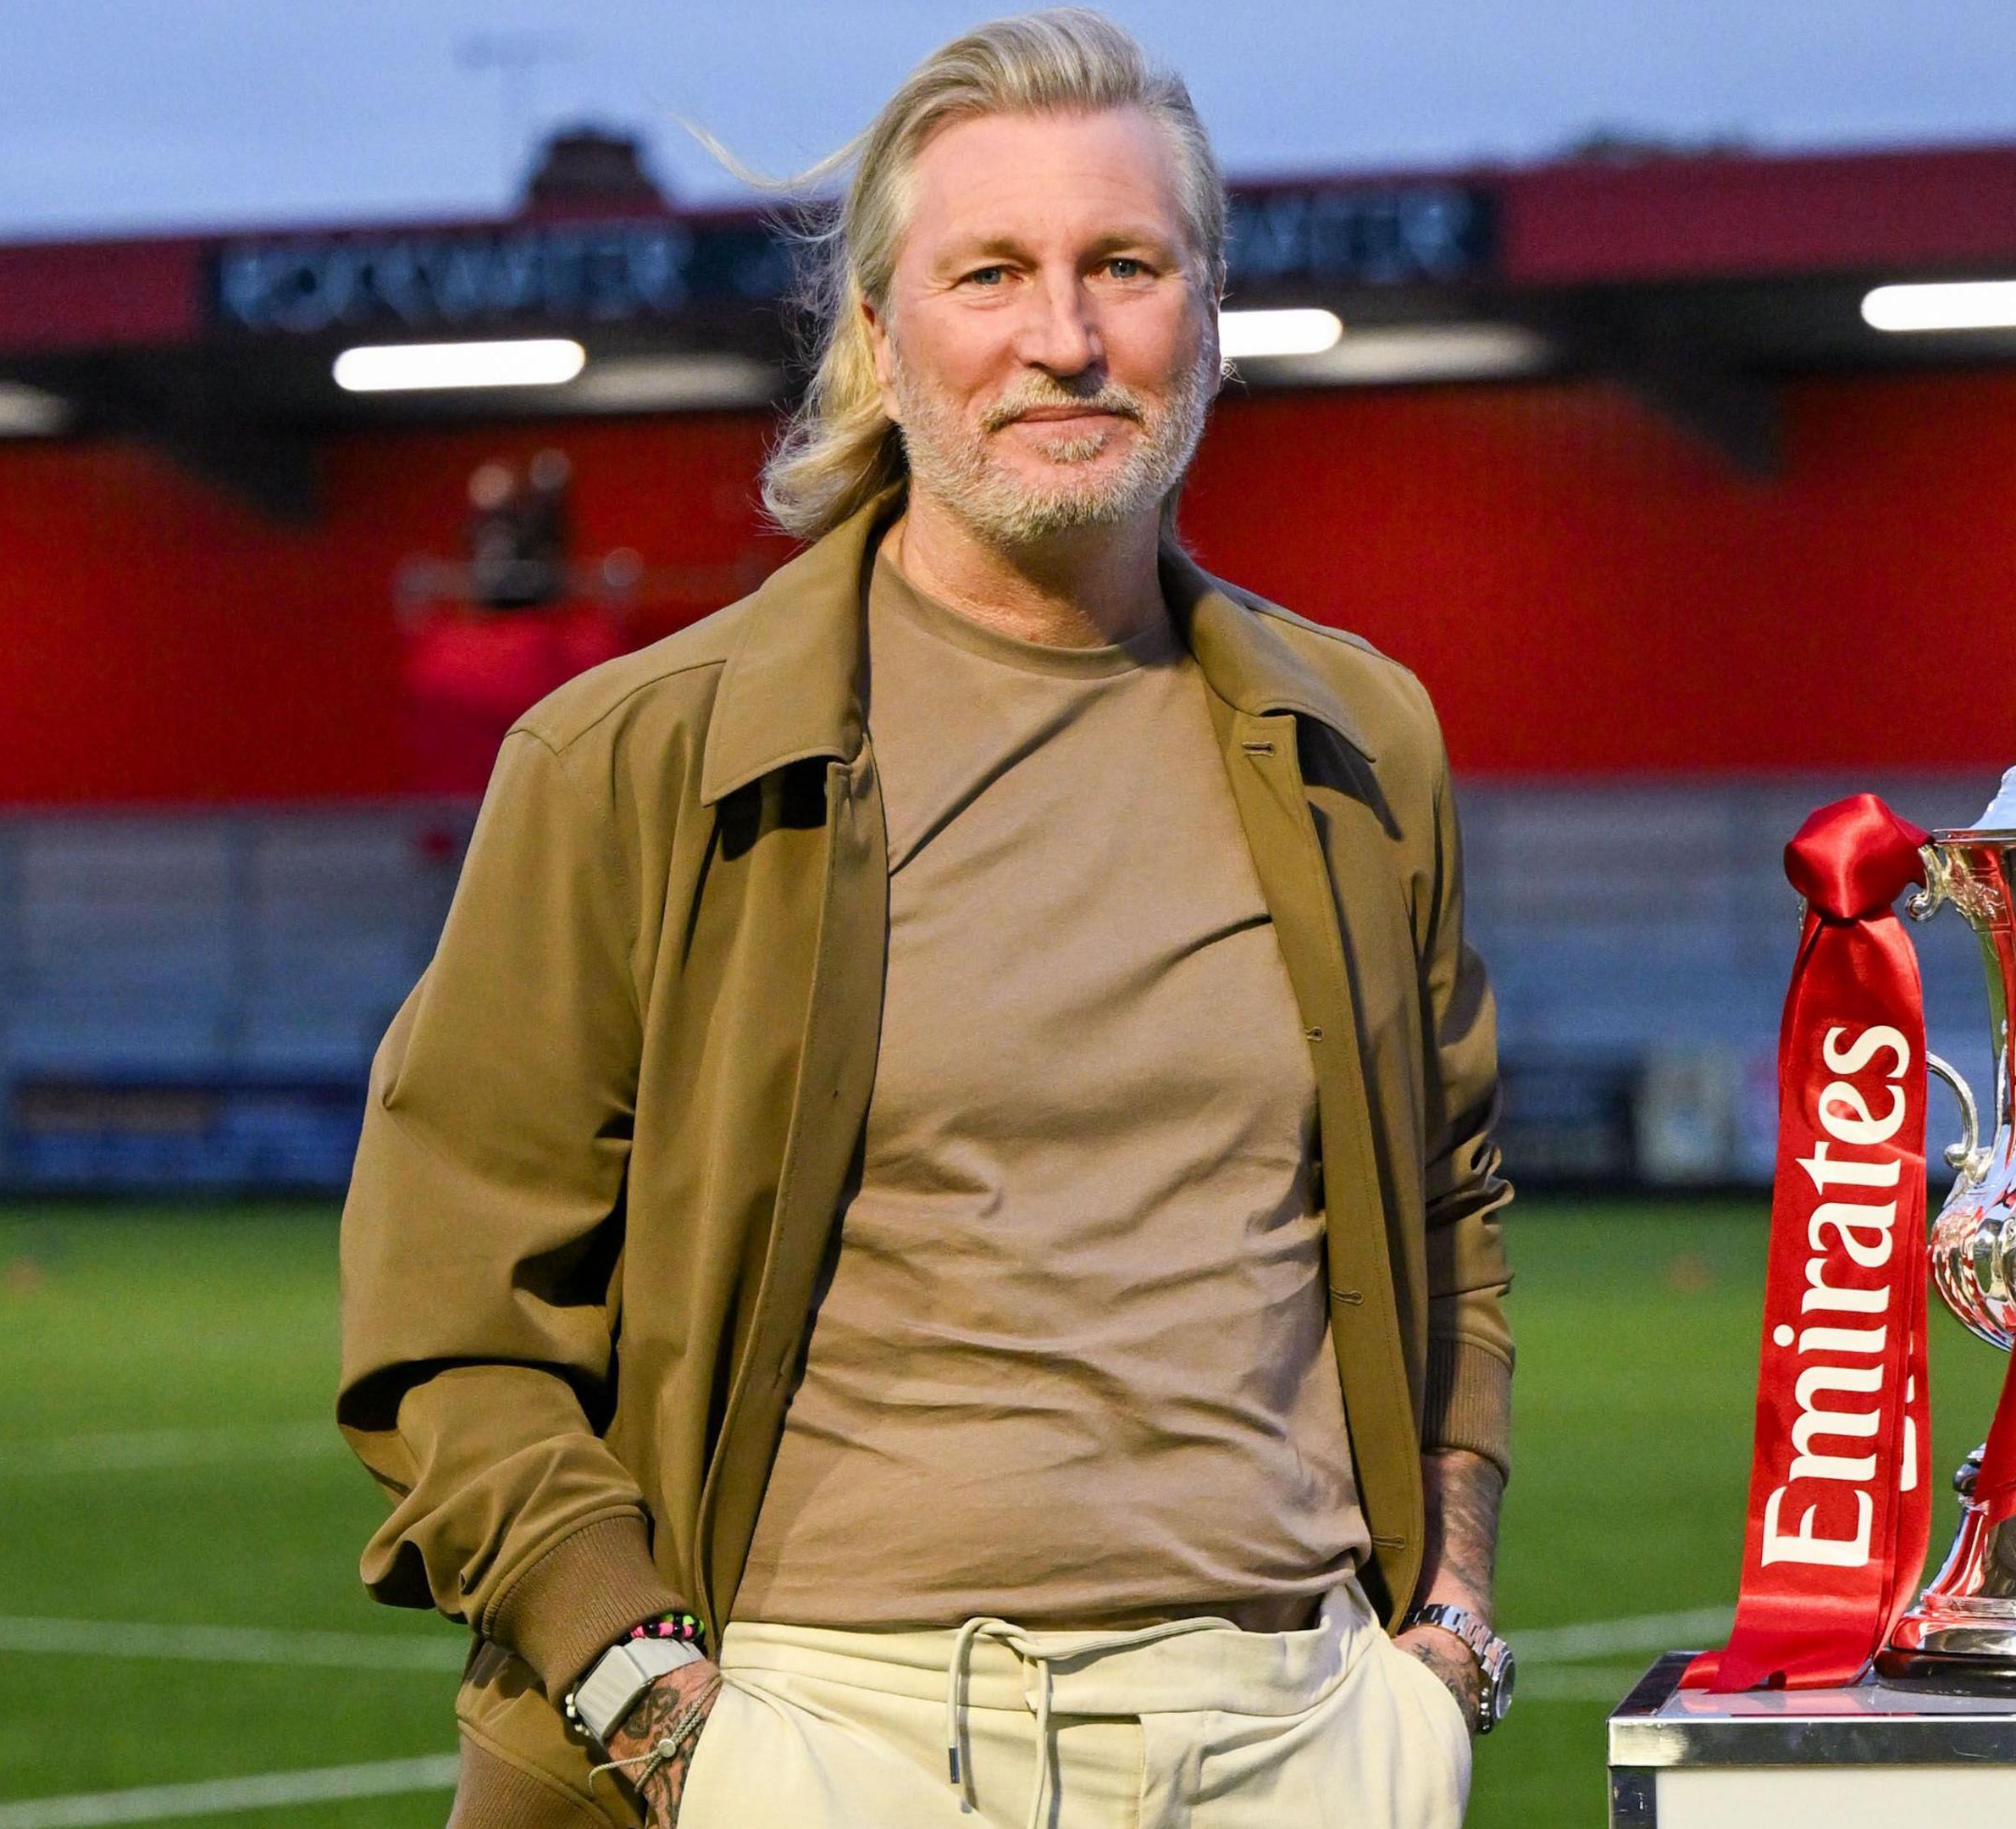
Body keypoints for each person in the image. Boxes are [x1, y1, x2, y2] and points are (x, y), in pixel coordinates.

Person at [336, 13, 1515, 1826]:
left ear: (1205, 321)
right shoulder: (631, 758)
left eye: (1124, 265)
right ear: (881, 340)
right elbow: (447, 1312)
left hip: (1299, 1737)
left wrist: (1442, 1633)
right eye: (991, 274)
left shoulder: (1361, 741)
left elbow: (1451, 1213)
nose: (1065, 336)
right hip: (819, 1738)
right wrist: (661, 1710)